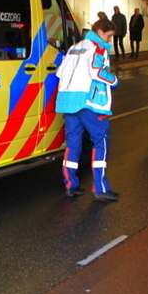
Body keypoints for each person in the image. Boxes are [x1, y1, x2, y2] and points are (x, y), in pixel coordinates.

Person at [55, 17, 120, 201]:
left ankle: (70, 184)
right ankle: (100, 188)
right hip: (89, 103)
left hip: (68, 102)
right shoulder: (97, 47)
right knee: (101, 142)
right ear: (100, 32)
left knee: (73, 144)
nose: (109, 40)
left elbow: (60, 73)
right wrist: (114, 80)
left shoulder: (74, 47)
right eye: (109, 36)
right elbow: (96, 71)